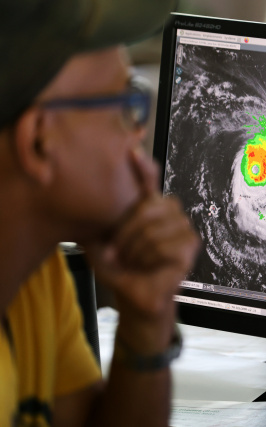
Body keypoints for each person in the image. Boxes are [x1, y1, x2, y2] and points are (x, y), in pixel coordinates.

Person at [0, 0, 201, 426]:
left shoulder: (34, 280)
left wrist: (146, 323)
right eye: (125, 104)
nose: (138, 132)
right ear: (38, 142)